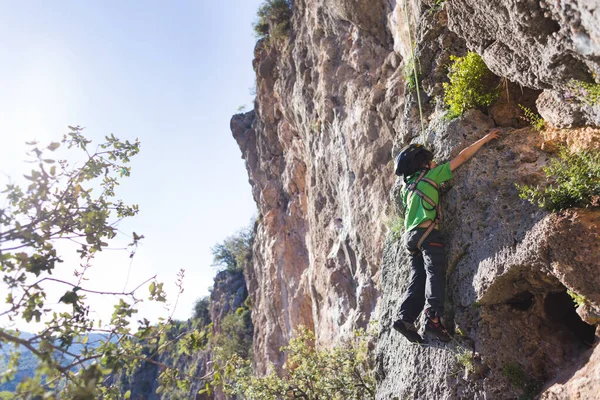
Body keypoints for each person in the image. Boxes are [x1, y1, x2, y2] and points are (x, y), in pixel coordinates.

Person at [392, 129, 501, 343]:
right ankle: (432, 320)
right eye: (430, 160)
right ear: (423, 164)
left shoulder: (407, 188)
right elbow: (462, 157)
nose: (433, 163)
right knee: (435, 273)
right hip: (427, 233)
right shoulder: (433, 175)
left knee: (418, 278)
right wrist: (485, 138)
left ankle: (404, 318)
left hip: (410, 238)